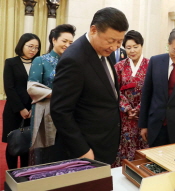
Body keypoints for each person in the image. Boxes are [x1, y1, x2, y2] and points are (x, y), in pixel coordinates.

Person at [50, 7, 129, 164]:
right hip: (85, 150)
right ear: (93, 30)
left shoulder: (106, 53)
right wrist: (82, 150)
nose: (114, 47)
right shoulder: (74, 59)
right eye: (111, 40)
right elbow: (60, 110)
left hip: (104, 143)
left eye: (119, 42)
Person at [27, 24, 75, 165]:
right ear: (54, 40)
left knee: (65, 152)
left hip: (69, 114)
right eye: (64, 41)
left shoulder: (73, 63)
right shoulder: (40, 60)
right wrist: (59, 94)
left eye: (71, 43)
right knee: (46, 154)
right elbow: (32, 88)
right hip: (46, 113)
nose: (67, 45)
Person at [2, 33, 41, 169]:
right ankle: (12, 173)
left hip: (33, 109)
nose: (33, 50)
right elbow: (9, 88)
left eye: (36, 47)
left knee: (27, 143)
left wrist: (33, 107)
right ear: (22, 45)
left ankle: (24, 172)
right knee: (13, 142)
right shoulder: (11, 62)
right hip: (14, 109)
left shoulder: (39, 63)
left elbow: (41, 87)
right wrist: (21, 109)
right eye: (30, 46)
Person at [112, 30, 149, 167]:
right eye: (128, 47)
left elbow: (153, 91)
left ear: (141, 46)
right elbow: (114, 89)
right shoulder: (119, 67)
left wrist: (139, 108)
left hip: (143, 116)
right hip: (124, 117)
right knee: (123, 149)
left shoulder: (151, 66)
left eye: (135, 46)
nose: (132, 50)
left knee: (142, 149)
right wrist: (127, 108)